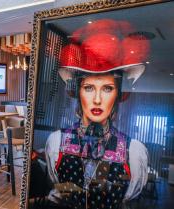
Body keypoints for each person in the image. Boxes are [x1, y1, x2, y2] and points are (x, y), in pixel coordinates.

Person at [45, 19, 149, 209]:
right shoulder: (57, 142)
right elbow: (59, 188)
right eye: (89, 88)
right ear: (78, 92)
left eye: (108, 88)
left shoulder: (132, 151)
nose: (98, 99)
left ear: (118, 94)